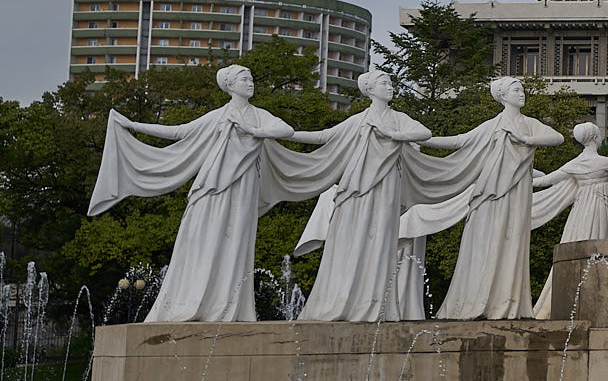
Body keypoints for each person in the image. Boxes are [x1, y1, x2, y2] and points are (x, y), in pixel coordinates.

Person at [88, 64, 294, 322]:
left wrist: (254, 131)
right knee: (199, 237)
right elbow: (179, 131)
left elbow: (286, 130)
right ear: (231, 85)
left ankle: (227, 306)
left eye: (252, 78)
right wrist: (134, 125)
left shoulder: (258, 116)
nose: (250, 83)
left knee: (236, 242)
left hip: (244, 186)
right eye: (244, 79)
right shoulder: (218, 116)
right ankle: (193, 299)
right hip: (212, 185)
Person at [279, 70, 437, 322]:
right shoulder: (359, 121)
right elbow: (323, 136)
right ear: (370, 89)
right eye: (384, 83)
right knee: (352, 239)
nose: (389, 87)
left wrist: (394, 136)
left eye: (390, 82)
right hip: (357, 188)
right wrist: (284, 134)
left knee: (381, 240)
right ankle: (346, 298)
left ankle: (376, 302)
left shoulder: (398, 119)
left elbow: (423, 133)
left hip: (386, 187)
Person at [409, 76, 563, 320]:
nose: (521, 93)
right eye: (515, 90)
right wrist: (419, 138)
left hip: (518, 193)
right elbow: (459, 141)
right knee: (486, 241)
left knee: (513, 241)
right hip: (490, 192)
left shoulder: (529, 125)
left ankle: (507, 303)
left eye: (522, 89)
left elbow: (557, 137)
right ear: (503, 96)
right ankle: (477, 300)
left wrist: (528, 140)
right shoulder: (492, 126)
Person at [529, 121, 608, 318]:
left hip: (580, 211)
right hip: (597, 209)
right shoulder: (604, 162)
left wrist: (522, 177)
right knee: (597, 247)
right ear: (596, 136)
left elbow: (546, 181)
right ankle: (592, 301)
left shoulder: (575, 164)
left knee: (578, 246)